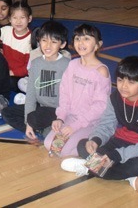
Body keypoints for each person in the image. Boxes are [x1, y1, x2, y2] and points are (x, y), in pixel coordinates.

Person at [60, 56, 138, 195]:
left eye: (131, 82)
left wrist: (116, 155)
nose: (124, 86)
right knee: (84, 145)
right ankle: (128, 176)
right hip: (122, 140)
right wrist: (95, 140)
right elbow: (106, 124)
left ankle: (88, 168)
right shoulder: (115, 98)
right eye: (120, 80)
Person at [43, 24, 111, 158]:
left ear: (97, 45)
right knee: (49, 144)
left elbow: (100, 106)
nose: (80, 43)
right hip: (71, 118)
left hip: (91, 122)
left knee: (62, 150)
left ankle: (97, 144)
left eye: (86, 39)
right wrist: (61, 118)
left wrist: (75, 126)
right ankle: (83, 145)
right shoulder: (73, 64)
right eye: (77, 39)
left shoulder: (101, 71)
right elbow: (65, 94)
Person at [1, 20, 70, 140]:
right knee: (7, 113)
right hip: (41, 109)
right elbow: (31, 95)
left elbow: (71, 97)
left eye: (54, 42)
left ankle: (48, 127)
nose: (48, 46)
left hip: (59, 111)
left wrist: (61, 117)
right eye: (44, 40)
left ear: (62, 44)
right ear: (39, 41)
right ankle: (41, 128)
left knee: (36, 120)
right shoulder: (36, 63)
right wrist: (28, 125)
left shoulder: (67, 65)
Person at [1, 2, 33, 99]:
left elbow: (28, 67)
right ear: (9, 19)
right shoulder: (5, 31)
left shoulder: (32, 40)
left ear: (29, 19)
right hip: (4, 70)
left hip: (20, 76)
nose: (18, 21)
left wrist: (12, 73)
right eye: (15, 18)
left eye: (22, 17)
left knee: (14, 83)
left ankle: (27, 96)